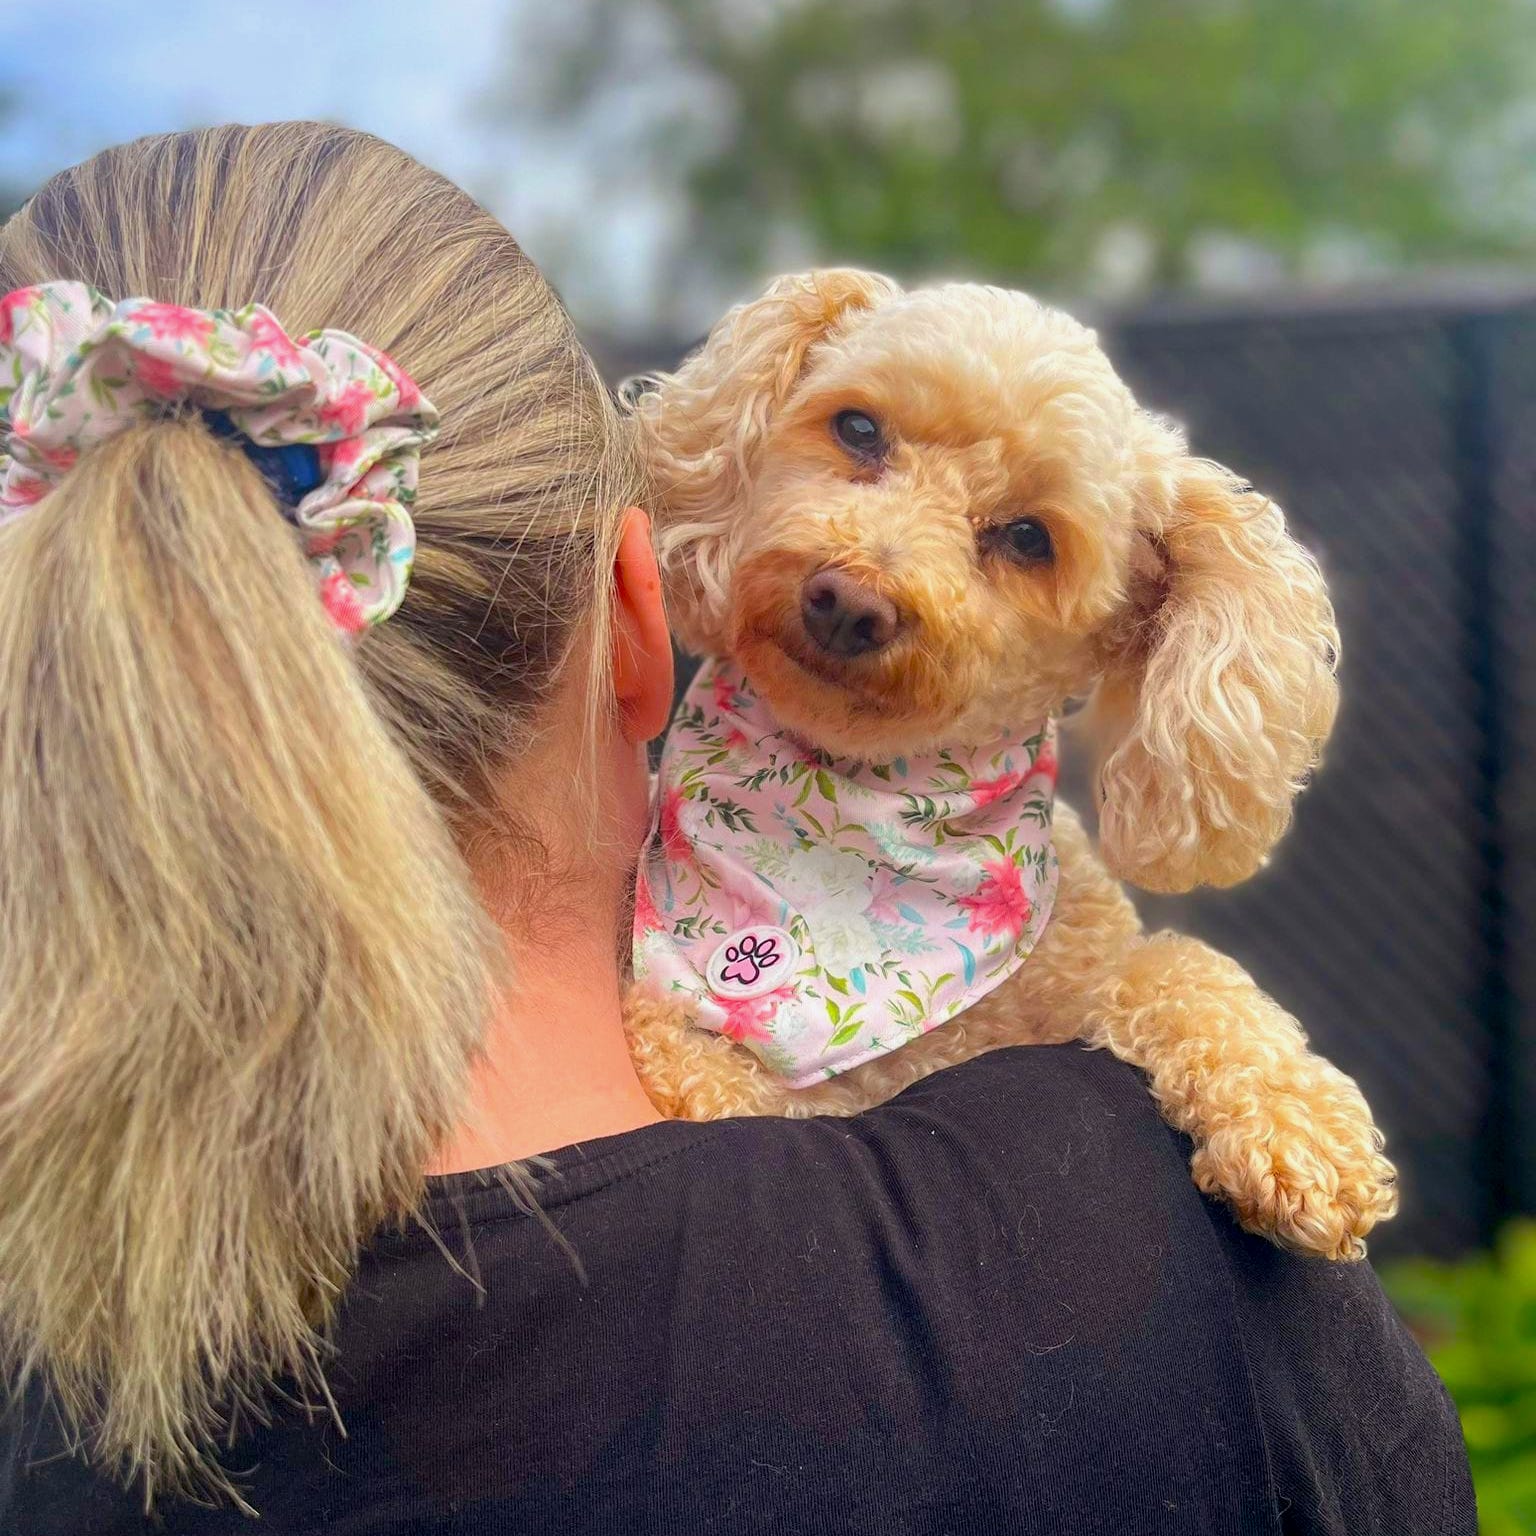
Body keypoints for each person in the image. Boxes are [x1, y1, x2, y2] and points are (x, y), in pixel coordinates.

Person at [0, 124, 1473, 1536]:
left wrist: (1222, 1044)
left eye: (1021, 540)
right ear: (641, 613)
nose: (865, 572)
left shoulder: (60, 1382)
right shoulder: (1215, 1307)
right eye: (858, 438)